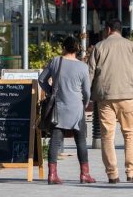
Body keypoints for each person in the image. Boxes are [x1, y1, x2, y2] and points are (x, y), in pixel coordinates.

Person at [88, 19, 133, 184]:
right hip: (127, 96)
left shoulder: (99, 47)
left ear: (108, 29)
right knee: (130, 134)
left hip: (105, 98)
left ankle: (112, 175)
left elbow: (90, 73)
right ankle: (132, 172)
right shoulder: (132, 46)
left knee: (107, 136)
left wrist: (88, 95)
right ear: (120, 30)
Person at [38, 36, 94, 185]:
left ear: (64, 47)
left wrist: (51, 92)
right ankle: (84, 174)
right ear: (77, 49)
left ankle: (52, 174)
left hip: (59, 107)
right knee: (80, 141)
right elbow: (87, 92)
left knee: (55, 140)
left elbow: (41, 79)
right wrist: (85, 103)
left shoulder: (56, 61)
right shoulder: (83, 67)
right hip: (76, 108)